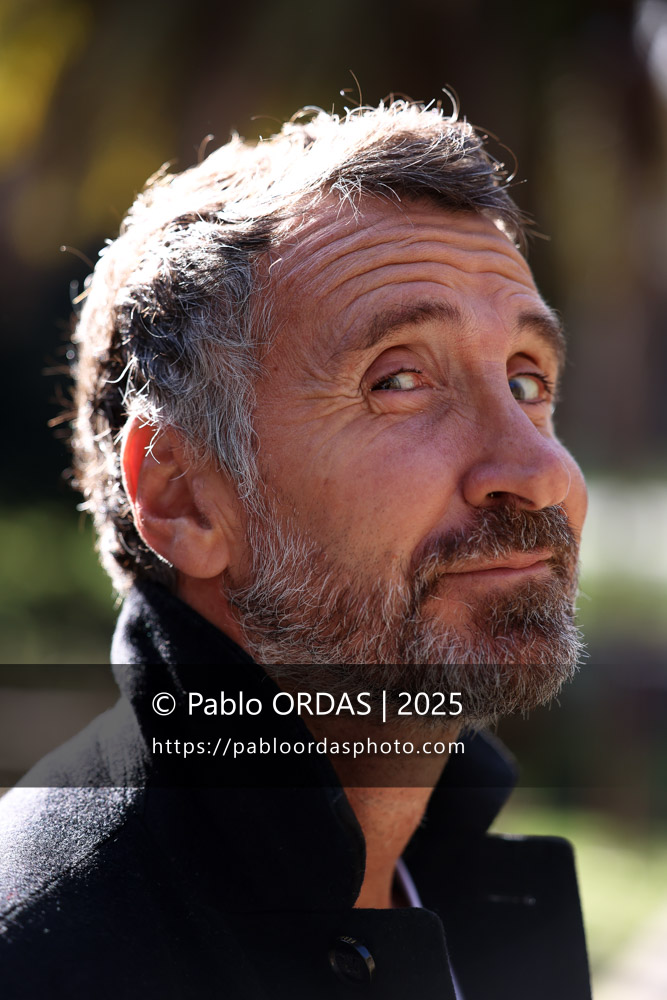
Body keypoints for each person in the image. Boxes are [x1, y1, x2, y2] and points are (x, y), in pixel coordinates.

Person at [0, 100, 591, 998]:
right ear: (184, 496)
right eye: (399, 379)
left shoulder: (464, 883)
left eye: (526, 381)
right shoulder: (49, 955)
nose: (538, 470)